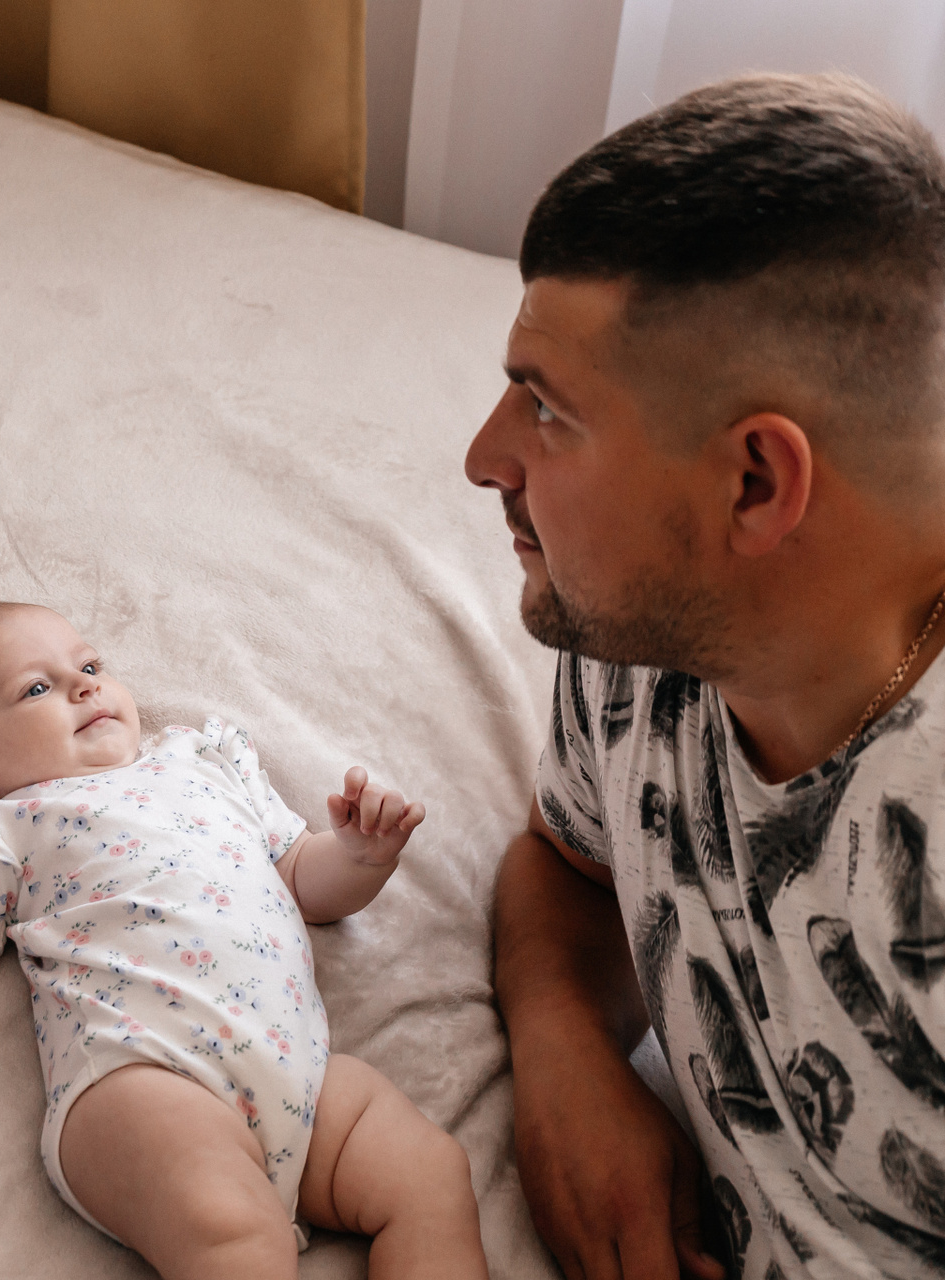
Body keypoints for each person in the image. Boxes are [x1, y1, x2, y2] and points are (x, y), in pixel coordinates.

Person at [467, 73, 945, 1279]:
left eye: (546, 409)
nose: (484, 457)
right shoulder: (646, 638)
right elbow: (565, 860)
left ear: (755, 484)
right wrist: (565, 1045)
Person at [0, 602, 489, 1279]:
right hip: (143, 1075)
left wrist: (359, 856)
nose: (84, 686)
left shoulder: (202, 761)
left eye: (90, 666)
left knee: (431, 1173)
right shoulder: (2, 825)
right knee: (233, 1232)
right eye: (37, 687)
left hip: (299, 1070)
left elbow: (303, 879)